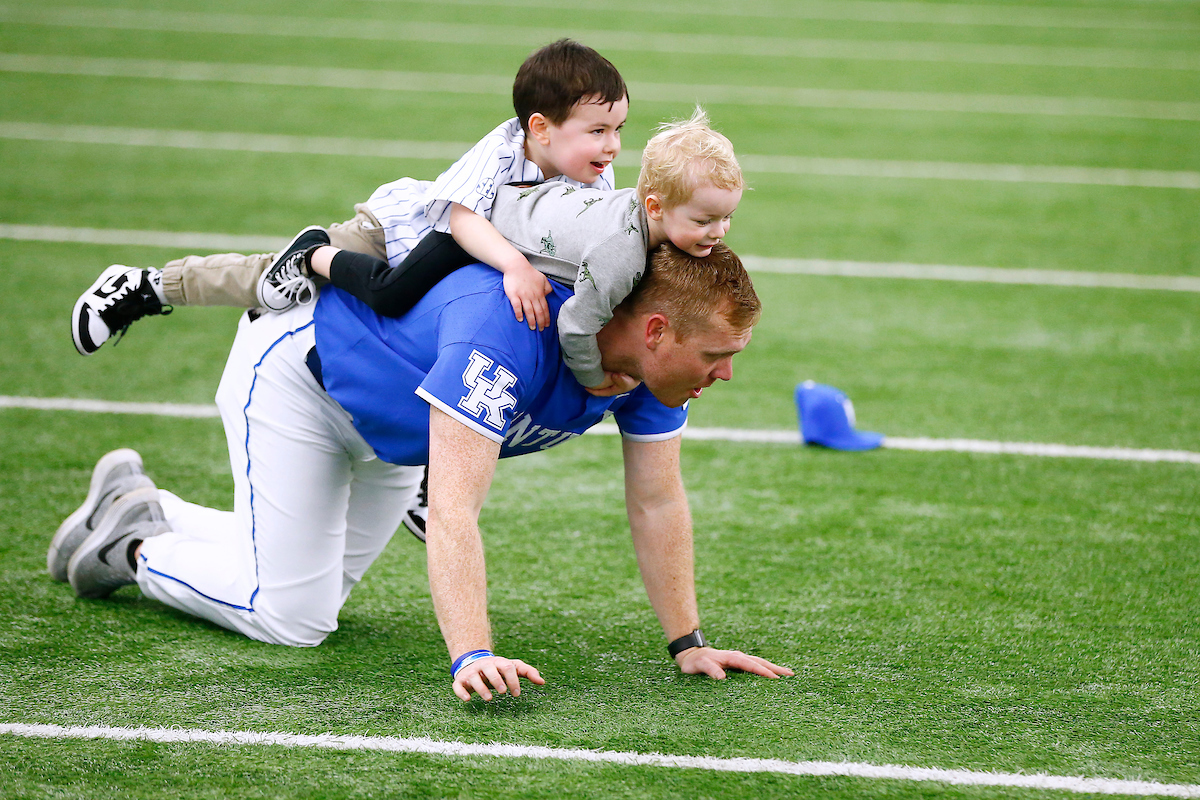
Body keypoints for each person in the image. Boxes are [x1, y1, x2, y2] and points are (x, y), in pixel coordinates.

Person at [52, 242, 793, 702]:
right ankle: (137, 547)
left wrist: (688, 643)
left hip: (397, 436)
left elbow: (658, 502)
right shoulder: (512, 331)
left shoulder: (649, 375)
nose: (724, 375)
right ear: (657, 330)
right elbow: (456, 507)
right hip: (304, 380)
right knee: (292, 618)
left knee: (308, 587)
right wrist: (471, 652)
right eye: (716, 355)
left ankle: (142, 504)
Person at [70, 37, 626, 357]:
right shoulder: (503, 150)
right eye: (597, 131)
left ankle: (419, 470)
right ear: (541, 128)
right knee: (267, 281)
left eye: (619, 129)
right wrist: (513, 266)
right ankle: (146, 285)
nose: (613, 147)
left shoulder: (596, 183)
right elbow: (460, 220)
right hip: (394, 232)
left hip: (449, 263)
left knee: (456, 336)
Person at [305, 106, 744, 393]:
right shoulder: (621, 255)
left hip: (526, 204)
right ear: (654, 206)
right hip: (484, 227)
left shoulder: (643, 208)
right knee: (393, 296)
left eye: (727, 218)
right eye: (703, 221)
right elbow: (574, 325)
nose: (719, 232)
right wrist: (593, 377)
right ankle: (316, 256)